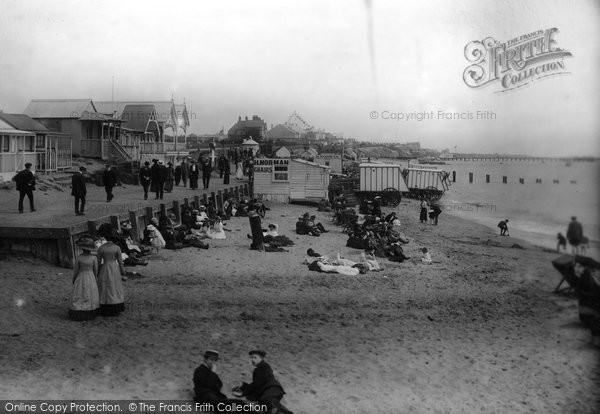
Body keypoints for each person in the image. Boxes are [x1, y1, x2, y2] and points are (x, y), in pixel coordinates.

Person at [233, 350, 293, 414]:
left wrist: (244, 393)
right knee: (267, 405)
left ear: (261, 358)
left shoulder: (264, 366)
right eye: (252, 358)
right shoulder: (261, 368)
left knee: (268, 401)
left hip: (271, 388)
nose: (253, 360)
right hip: (270, 390)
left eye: (255, 357)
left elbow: (257, 383)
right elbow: (257, 384)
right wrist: (244, 388)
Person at [97, 224, 126, 316]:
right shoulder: (117, 248)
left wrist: (97, 271)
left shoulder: (101, 248)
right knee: (115, 286)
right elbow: (120, 262)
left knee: (105, 286)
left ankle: (105, 306)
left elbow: (97, 262)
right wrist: (123, 272)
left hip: (105, 267)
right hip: (114, 268)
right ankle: (116, 305)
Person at [68, 237, 100, 321]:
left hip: (81, 276)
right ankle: (89, 310)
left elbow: (76, 270)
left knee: (79, 294)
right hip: (90, 276)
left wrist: (74, 280)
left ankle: (78, 310)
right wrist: (95, 278)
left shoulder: (79, 257)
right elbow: (95, 270)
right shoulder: (93, 258)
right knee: (90, 293)